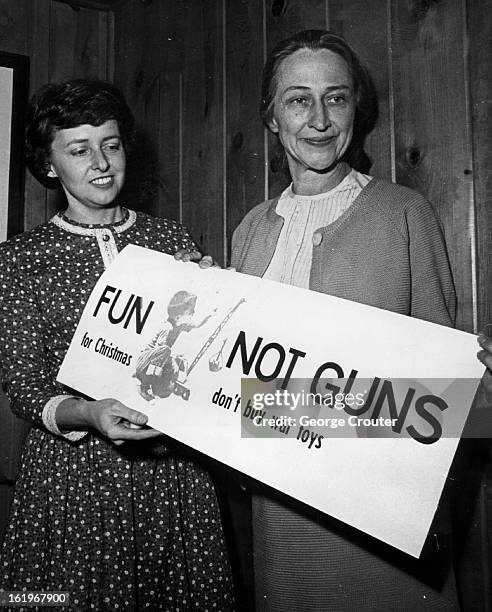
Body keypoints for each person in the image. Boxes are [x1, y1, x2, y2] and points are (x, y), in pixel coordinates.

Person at [228, 29, 481, 611]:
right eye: (297, 100)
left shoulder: (403, 213)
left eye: (335, 98)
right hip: (280, 511)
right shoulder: (251, 229)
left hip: (381, 513)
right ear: (272, 118)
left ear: (355, 111)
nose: (318, 118)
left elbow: (450, 393)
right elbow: (238, 388)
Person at [0, 79, 234, 610]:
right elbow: (24, 388)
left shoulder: (172, 242)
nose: (101, 162)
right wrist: (88, 412)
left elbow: (206, 368)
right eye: (79, 150)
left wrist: (217, 307)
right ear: (50, 165)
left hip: (171, 472)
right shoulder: (19, 260)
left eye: (111, 144)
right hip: (73, 479)